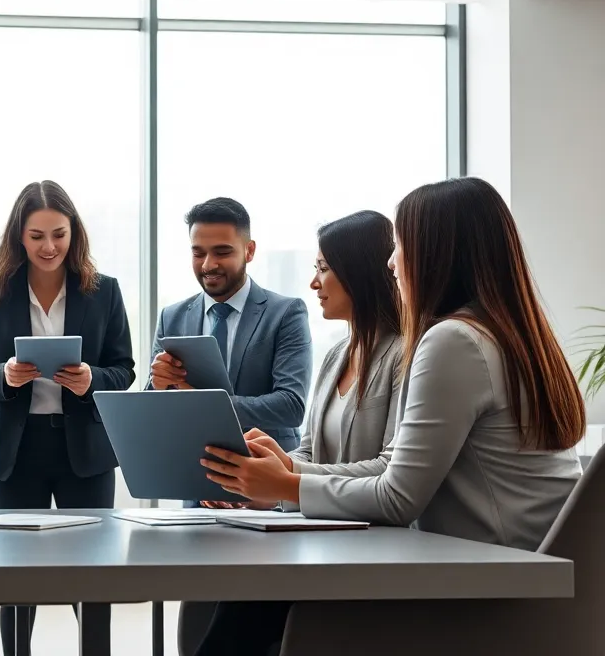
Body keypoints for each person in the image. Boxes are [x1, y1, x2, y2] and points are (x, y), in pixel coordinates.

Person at [196, 177, 586, 656]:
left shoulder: (452, 341)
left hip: (492, 592)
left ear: (436, 253)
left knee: (254, 603)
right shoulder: (507, 333)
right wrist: (287, 472)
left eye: (400, 246)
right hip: (531, 580)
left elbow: (398, 495)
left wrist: (284, 486)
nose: (391, 262)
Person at [181, 210, 407, 645]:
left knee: (245, 609)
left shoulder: (404, 356)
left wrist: (283, 481)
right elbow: (307, 452)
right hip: (321, 532)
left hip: (368, 543)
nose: (314, 282)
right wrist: (257, 481)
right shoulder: (336, 355)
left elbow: (389, 470)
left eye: (323, 268)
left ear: (359, 272)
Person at [0, 180, 135, 656]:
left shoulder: (104, 292)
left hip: (86, 448)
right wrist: (4, 376)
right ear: (19, 236)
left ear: (74, 233)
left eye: (59, 234)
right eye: (37, 236)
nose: (49, 246)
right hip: (16, 451)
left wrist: (91, 381)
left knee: (92, 571)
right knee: (16, 575)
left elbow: (124, 371)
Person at [147, 197, 312, 453]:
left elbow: (291, 406)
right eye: (198, 252)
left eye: (222, 252)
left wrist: (209, 406)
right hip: (192, 468)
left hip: (263, 472)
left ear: (249, 250)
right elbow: (153, 410)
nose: (208, 265)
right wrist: (156, 386)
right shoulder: (172, 316)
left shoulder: (286, 313)